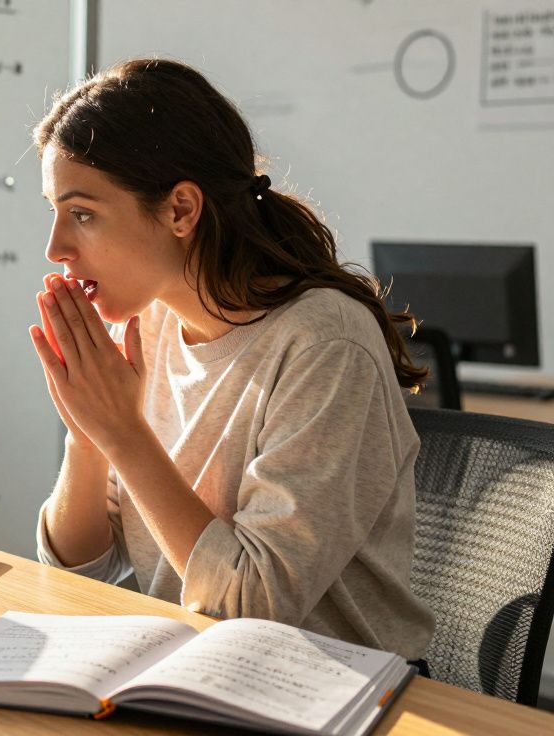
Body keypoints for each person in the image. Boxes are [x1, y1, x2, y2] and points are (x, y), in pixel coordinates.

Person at [29, 58, 435, 661]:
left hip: (333, 683)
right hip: (195, 667)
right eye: (55, 212)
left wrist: (122, 433)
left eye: (82, 214)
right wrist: (88, 433)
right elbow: (79, 568)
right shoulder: (147, 322)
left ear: (181, 210)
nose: (55, 247)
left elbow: (253, 607)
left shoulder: (326, 345)